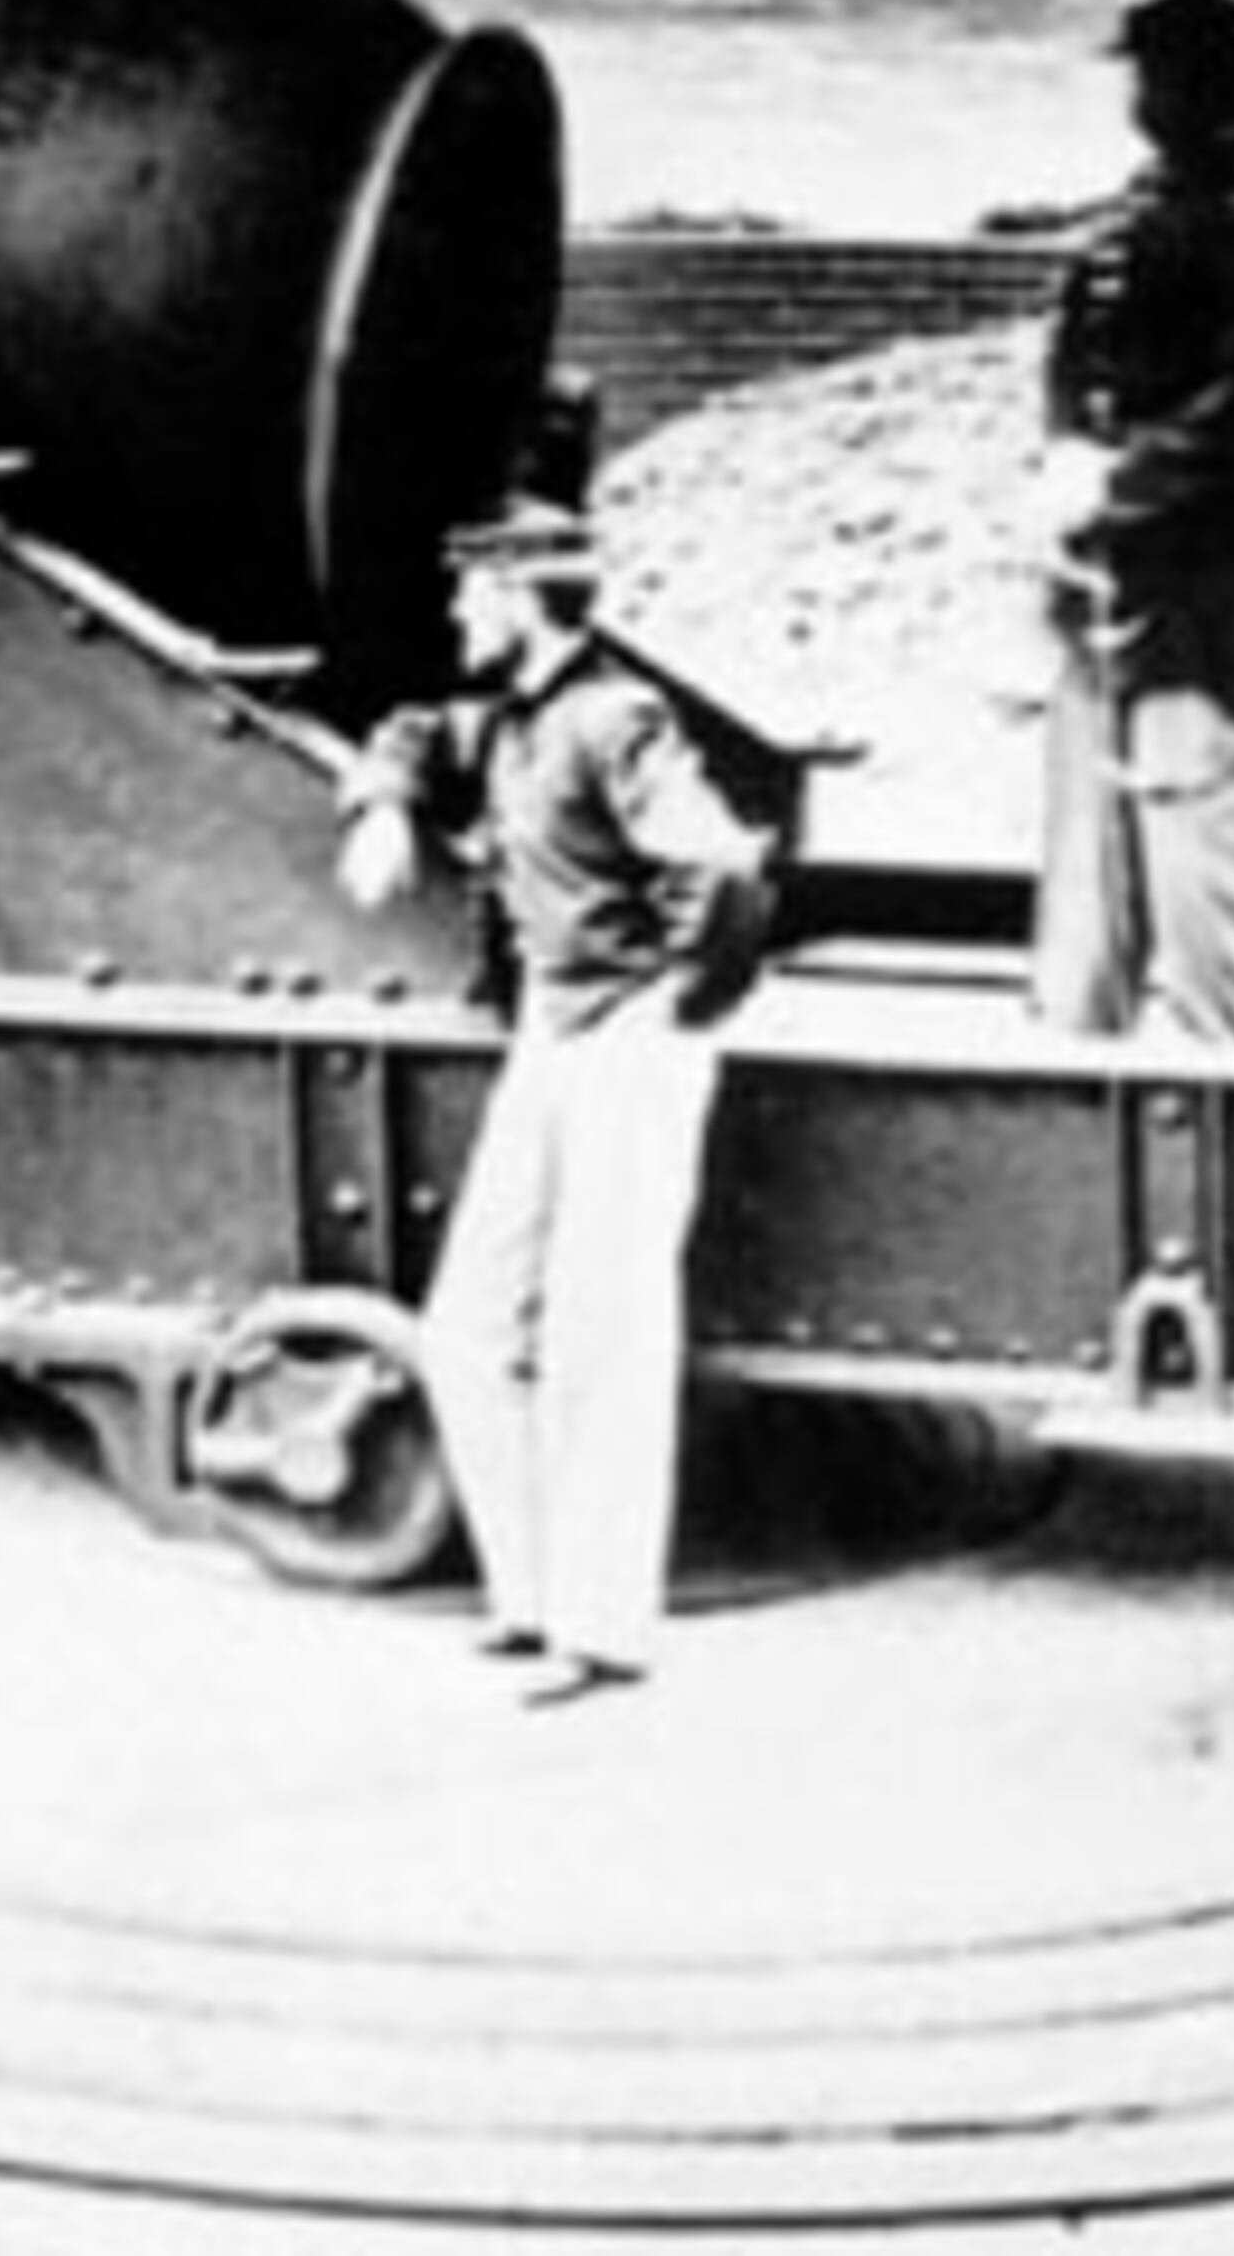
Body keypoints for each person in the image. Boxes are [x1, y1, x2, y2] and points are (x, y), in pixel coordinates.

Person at [336, 494, 774, 1707]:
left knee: (604, 1331)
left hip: (626, 1034)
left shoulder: (614, 719)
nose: (453, 612)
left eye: (471, 593)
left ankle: (601, 1628)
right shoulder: (513, 719)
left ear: (523, 601)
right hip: (554, 1027)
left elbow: (723, 864)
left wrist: (684, 1002)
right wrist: (380, 798)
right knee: (468, 1322)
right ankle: (527, 1599)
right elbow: (417, 729)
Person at [1028, 0, 1234, 1045]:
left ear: (1217, 91)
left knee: (1204, 893)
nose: (1144, 101)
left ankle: (1220, 1098)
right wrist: (1064, 455)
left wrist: (1117, 480)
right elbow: (1075, 359)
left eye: (1160, 79)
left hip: (1205, 586)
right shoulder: (1135, 218)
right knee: (1085, 902)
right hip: (1101, 583)